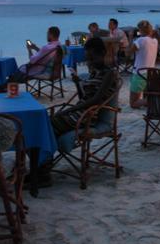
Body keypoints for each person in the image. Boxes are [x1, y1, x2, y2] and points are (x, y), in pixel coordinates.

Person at [32, 37, 119, 187]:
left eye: (92, 57)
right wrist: (79, 83)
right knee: (42, 125)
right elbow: (84, 97)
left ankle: (42, 172)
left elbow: (95, 100)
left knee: (45, 127)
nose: (89, 60)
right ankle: (40, 170)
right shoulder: (94, 72)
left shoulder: (109, 73)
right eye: (88, 57)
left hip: (89, 116)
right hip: (81, 112)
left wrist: (69, 110)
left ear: (102, 53)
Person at [129, 20, 159, 108]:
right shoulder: (155, 41)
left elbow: (128, 52)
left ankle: (153, 101)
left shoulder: (140, 40)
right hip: (150, 73)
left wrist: (131, 37)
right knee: (145, 96)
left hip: (139, 73)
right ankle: (151, 101)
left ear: (141, 30)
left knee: (133, 103)